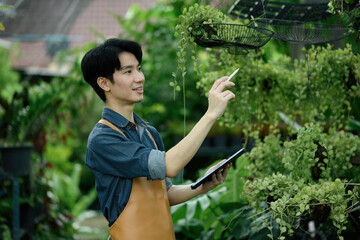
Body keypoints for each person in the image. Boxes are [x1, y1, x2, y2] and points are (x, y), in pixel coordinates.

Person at [81, 38, 236, 240]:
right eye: (128, 72)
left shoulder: (148, 132)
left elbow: (165, 192)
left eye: (139, 69)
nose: (139, 78)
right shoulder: (103, 140)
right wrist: (210, 115)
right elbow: (170, 165)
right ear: (104, 83)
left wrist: (200, 187)